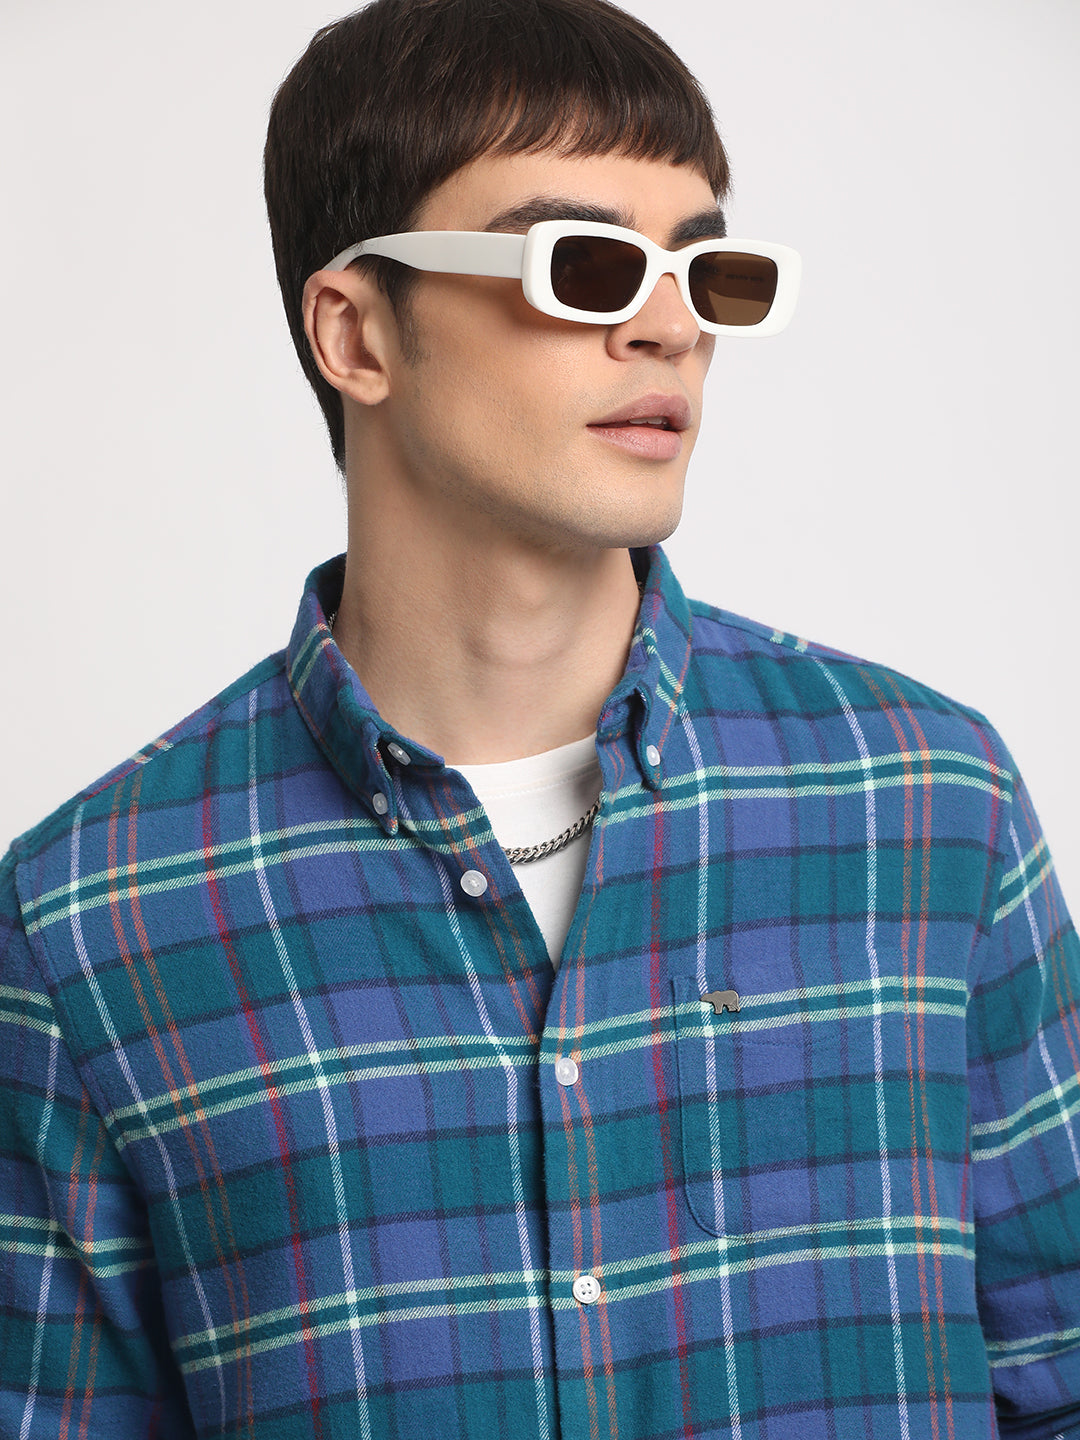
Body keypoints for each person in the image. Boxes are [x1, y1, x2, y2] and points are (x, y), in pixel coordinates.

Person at [1, 0, 1077, 1434]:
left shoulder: (928, 806)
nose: (670, 325)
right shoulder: (89, 920)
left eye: (705, 269)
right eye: (582, 264)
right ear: (357, 332)